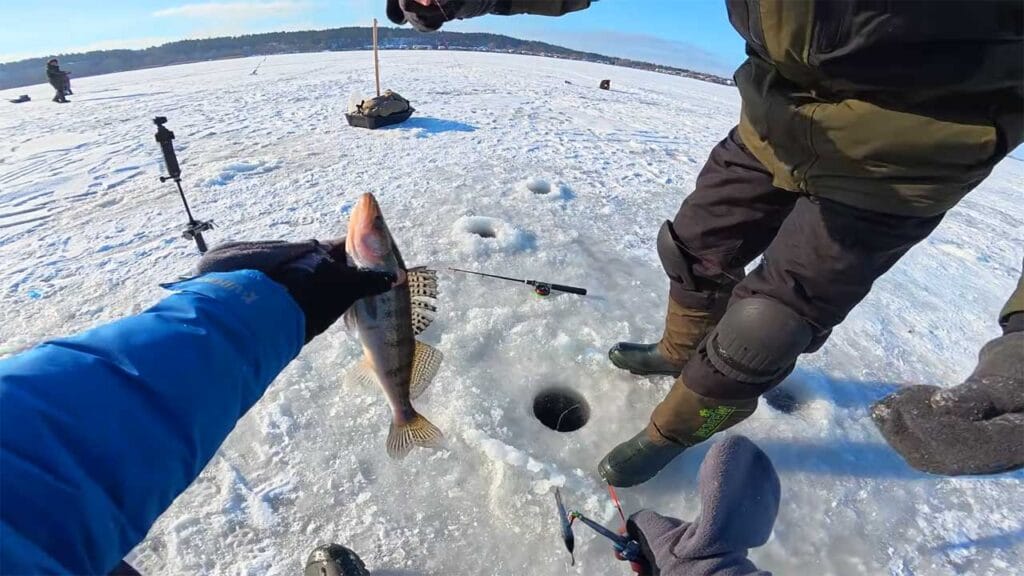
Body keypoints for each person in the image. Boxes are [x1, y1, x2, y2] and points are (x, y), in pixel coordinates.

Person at [387, 0, 1024, 486]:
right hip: (775, 117)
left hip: (909, 154)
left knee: (766, 325)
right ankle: (679, 352)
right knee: (693, 248)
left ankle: (687, 424)